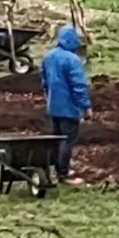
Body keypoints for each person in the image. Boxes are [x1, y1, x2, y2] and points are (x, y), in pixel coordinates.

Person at [40, 24, 91, 184]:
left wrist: (49, 98)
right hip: (69, 108)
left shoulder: (48, 56)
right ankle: (63, 174)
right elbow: (78, 86)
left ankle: (56, 169)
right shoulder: (72, 60)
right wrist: (85, 106)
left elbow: (44, 82)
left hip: (53, 106)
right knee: (67, 141)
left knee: (56, 139)